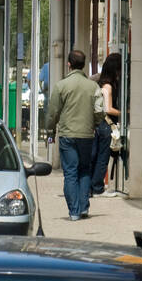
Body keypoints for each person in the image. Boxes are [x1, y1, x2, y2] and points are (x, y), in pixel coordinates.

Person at [46, 49, 103, 221]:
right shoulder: (93, 86)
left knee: (70, 172)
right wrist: (94, 124)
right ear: (83, 65)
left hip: (67, 135)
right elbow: (100, 111)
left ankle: (74, 211)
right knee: (84, 170)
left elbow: (52, 113)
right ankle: (84, 207)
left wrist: (50, 132)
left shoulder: (61, 86)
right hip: (87, 134)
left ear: (69, 64)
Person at [90, 52, 121, 197]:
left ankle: (92, 186)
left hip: (98, 124)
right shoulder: (108, 86)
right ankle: (97, 187)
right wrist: (123, 113)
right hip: (105, 125)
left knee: (95, 156)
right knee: (103, 157)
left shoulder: (99, 82)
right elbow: (108, 109)